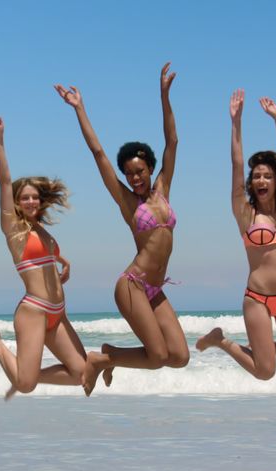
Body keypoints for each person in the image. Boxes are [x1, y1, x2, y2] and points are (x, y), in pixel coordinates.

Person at [55, 63, 188, 395]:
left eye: (140, 171)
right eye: (129, 173)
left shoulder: (163, 189)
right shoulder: (129, 203)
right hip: (133, 285)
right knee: (157, 356)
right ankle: (103, 358)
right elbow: (98, 153)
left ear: (150, 168)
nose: (135, 178)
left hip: (155, 290)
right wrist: (79, 110)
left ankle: (110, 355)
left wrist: (164, 95)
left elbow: (172, 140)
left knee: (180, 356)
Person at [0, 109, 87, 400]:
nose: (32, 200)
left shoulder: (42, 231)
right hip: (34, 311)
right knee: (25, 385)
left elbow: (44, 258)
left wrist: (63, 261)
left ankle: (28, 371)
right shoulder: (14, 229)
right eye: (25, 197)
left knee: (81, 374)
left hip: (57, 313)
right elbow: (4, 180)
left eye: (35, 196)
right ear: (17, 203)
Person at [196, 91, 276, 381]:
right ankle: (222, 340)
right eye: (257, 176)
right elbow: (236, 165)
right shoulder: (245, 214)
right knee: (265, 371)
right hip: (257, 298)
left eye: (268, 176)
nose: (261, 180)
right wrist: (236, 122)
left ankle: (262, 347)